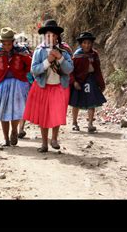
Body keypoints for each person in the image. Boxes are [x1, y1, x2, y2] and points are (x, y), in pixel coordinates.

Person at [22, 19, 74, 152]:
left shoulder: (64, 51)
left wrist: (60, 58)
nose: (50, 38)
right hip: (43, 87)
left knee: (56, 114)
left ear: (57, 37)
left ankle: (54, 139)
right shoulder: (39, 51)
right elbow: (34, 70)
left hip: (58, 87)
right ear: (44, 36)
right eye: (48, 35)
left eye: (53, 35)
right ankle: (44, 143)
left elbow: (69, 69)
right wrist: (48, 61)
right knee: (43, 116)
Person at [0, 27, 32, 146]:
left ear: (13, 42)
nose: (7, 46)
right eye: (4, 44)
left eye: (9, 44)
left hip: (18, 84)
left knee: (15, 110)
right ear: (1, 43)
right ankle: (6, 139)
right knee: (3, 112)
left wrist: (22, 72)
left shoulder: (21, 50)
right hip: (1, 83)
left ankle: (14, 130)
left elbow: (30, 64)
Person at [69, 32, 107, 133]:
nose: (87, 45)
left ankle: (90, 124)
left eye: (89, 43)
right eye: (84, 43)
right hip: (79, 81)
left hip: (91, 80)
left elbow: (98, 69)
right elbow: (71, 70)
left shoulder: (94, 55)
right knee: (76, 103)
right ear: (81, 44)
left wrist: (101, 83)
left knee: (92, 103)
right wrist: (74, 82)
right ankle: (74, 123)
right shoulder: (77, 55)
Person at [14, 33, 34, 139]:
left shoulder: (13, 51)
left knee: (16, 106)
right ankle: (20, 128)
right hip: (27, 82)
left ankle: (16, 129)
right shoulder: (30, 52)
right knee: (24, 106)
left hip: (16, 82)